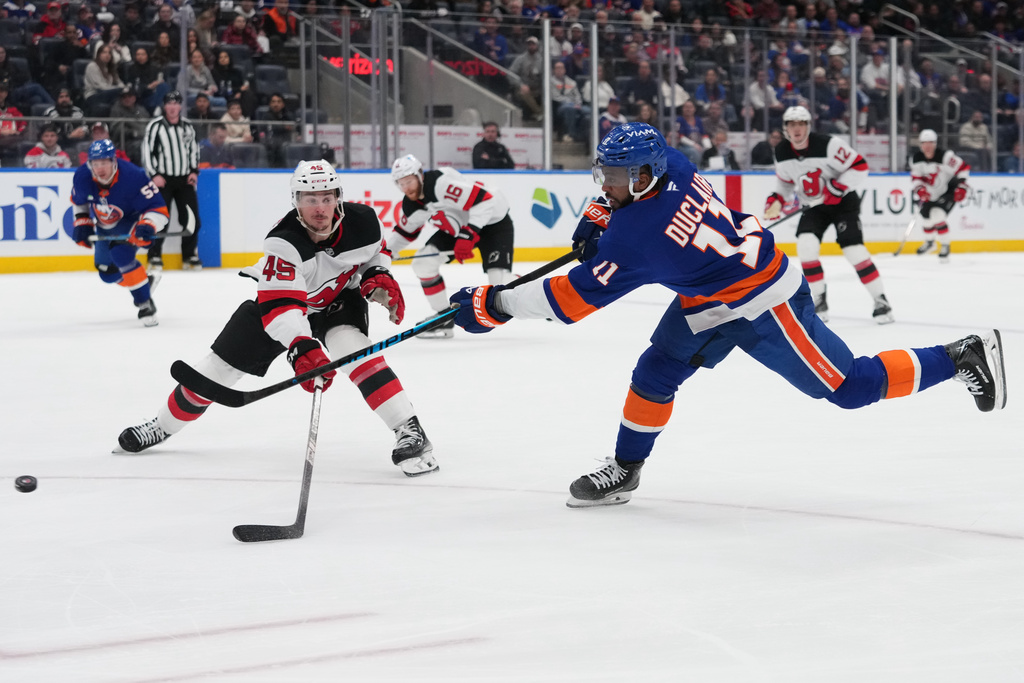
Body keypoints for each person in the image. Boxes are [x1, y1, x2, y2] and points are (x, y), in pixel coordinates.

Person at [447, 122, 1007, 508]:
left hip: (765, 301)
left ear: (646, 175)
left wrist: (492, 304)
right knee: (655, 372)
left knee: (849, 386)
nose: (609, 187)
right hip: (709, 296)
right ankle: (626, 468)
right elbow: (620, 212)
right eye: (605, 178)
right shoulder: (676, 166)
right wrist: (599, 215)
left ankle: (958, 357)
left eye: (619, 181)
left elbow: (566, 301)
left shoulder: (642, 235)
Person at [114, 161, 439, 478]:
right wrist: (300, 347)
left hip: (338, 302)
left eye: (327, 198)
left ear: (338, 197)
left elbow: (376, 253)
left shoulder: (364, 220)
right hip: (282, 309)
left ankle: (409, 430)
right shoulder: (283, 242)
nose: (320, 208)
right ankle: (162, 425)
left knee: (354, 349)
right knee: (217, 371)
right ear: (296, 201)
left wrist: (376, 275)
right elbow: (282, 308)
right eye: (311, 199)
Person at [765, 105, 893, 324]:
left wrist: (837, 188)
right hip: (814, 207)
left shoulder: (828, 144)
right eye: (792, 124)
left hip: (843, 203)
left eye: (801, 124)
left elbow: (860, 166)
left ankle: (881, 301)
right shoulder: (782, 151)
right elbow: (785, 184)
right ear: (786, 128)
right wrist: (775, 200)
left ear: (808, 126)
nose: (797, 129)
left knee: (854, 250)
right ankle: (819, 300)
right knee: (805, 247)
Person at [388, 153, 514, 339]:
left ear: (420, 175)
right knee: (423, 264)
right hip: (460, 228)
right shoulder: (412, 205)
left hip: (493, 223)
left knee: (499, 285)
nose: (406, 188)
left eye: (409, 181)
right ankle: (444, 318)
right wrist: (384, 254)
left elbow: (485, 200)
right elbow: (404, 232)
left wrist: (468, 235)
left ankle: (536, 292)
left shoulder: (440, 183)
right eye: (401, 183)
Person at [70, 139, 169, 327]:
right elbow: (79, 200)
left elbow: (159, 208)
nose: (100, 169)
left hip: (131, 221)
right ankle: (144, 282)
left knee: (120, 254)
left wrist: (148, 224)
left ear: (114, 161)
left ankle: (144, 303)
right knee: (107, 273)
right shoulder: (82, 176)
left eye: (104, 163)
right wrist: (82, 221)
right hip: (104, 224)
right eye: (96, 164)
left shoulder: (134, 176)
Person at [142, 90, 202, 271]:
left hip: (185, 180)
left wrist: (193, 171)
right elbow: (147, 151)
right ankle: (154, 256)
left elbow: (194, 150)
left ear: (181, 106)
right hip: (163, 180)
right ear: (164, 106)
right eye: (169, 103)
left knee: (192, 219)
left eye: (176, 103)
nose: (173, 107)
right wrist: (154, 175)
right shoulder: (155, 126)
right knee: (160, 218)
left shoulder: (188, 127)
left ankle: (189, 255)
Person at [910, 128, 970, 262]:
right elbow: (916, 178)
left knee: (937, 216)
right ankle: (930, 243)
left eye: (931, 142)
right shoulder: (916, 159)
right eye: (924, 143)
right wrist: (920, 190)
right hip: (931, 192)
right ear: (920, 144)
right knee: (926, 219)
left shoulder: (946, 157)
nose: (927, 146)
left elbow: (964, 169)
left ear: (936, 143)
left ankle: (945, 245)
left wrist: (962, 187)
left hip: (948, 190)